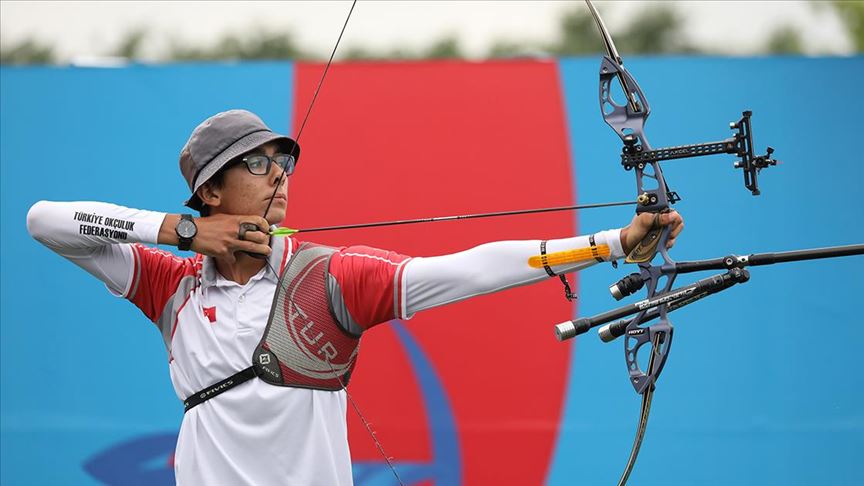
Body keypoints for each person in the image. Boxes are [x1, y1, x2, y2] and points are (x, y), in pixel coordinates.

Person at [26, 109, 684, 486]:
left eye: (283, 162)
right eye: (256, 163)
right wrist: (184, 232)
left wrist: (612, 243)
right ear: (211, 191)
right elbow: (45, 221)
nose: (278, 174)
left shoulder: (333, 278)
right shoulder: (170, 286)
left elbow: (471, 269)